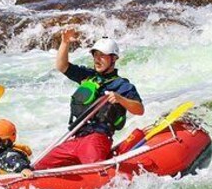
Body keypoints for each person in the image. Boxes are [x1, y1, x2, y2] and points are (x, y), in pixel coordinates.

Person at [35, 29, 144, 170]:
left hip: (97, 138)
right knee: (39, 167)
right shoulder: (88, 76)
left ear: (114, 58)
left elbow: (139, 109)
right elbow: (62, 66)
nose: (97, 59)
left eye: (102, 56)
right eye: (95, 55)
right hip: (76, 138)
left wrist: (120, 99)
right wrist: (65, 42)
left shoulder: (122, 85)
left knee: (95, 171)